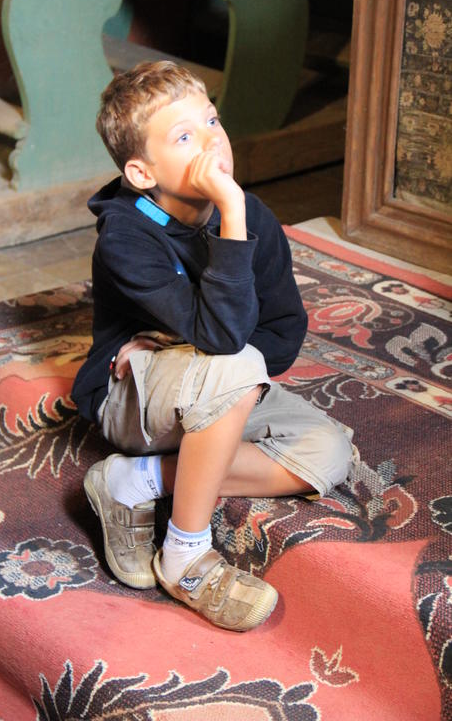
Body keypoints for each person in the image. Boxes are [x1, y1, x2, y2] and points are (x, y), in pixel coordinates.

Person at [72, 60, 355, 632]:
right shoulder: (126, 237)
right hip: (130, 399)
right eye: (184, 137)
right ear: (142, 173)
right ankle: (186, 554)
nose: (211, 142)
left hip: (215, 387)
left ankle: (134, 482)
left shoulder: (251, 217)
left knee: (327, 453)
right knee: (235, 360)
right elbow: (229, 339)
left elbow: (282, 335)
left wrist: (178, 340)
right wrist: (230, 214)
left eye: (212, 120)